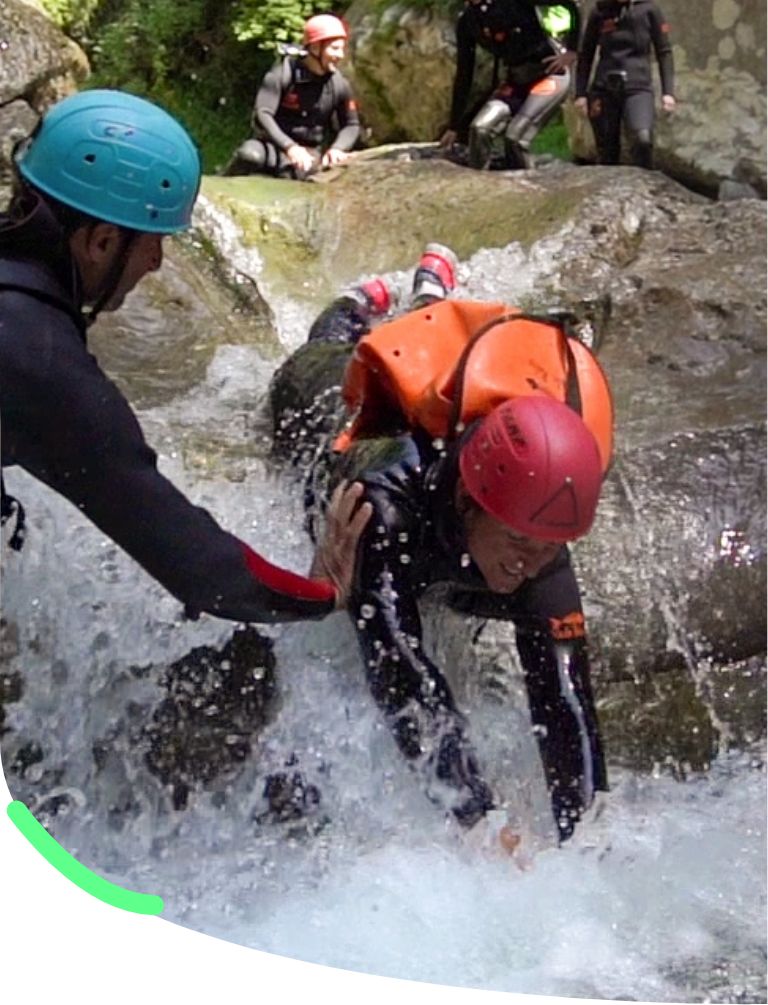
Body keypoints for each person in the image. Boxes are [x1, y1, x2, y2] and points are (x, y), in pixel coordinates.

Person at [270, 244, 612, 853]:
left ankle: (429, 297)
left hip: (457, 453)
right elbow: (401, 669)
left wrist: (588, 834)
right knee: (313, 361)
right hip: (332, 413)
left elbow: (564, 698)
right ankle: (354, 304)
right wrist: (479, 820)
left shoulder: (534, 532)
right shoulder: (385, 510)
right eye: (516, 545)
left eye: (546, 550)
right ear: (469, 502)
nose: (527, 565)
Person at [0, 88, 371, 628]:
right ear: (102, 242)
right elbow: (201, 567)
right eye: (152, 242)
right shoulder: (42, 361)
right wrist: (323, 592)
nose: (155, 263)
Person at [439, 0, 581, 170]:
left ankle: (525, 186)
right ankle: (479, 183)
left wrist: (572, 50)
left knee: (515, 138)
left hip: (549, 76)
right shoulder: (468, 21)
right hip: (516, 81)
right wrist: (454, 125)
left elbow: (569, 5)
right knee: (479, 129)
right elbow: (464, 74)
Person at [224, 14, 360, 180]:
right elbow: (263, 114)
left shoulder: (339, 85)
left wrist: (338, 148)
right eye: (334, 48)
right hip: (272, 146)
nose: (340, 55)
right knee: (249, 155)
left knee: (300, 172)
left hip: (308, 154)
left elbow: (351, 124)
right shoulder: (281, 75)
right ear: (315, 48)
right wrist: (290, 147)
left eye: (341, 49)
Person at [574, 0, 675, 170]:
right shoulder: (600, 12)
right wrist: (580, 93)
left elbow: (664, 51)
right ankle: (610, 193)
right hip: (603, 87)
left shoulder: (648, 10)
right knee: (607, 151)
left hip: (638, 86)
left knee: (642, 139)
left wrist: (668, 92)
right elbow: (586, 54)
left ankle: (645, 187)